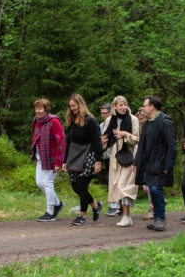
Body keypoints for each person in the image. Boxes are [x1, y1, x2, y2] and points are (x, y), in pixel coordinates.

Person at [134, 96, 177, 232]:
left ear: (152, 107)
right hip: (149, 164)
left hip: (161, 163)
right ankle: (157, 218)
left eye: (144, 106)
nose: (143, 108)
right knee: (152, 189)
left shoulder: (165, 122)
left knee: (155, 189)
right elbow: (142, 145)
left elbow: (172, 146)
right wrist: (137, 162)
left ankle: (160, 218)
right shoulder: (147, 124)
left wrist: (168, 165)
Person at [61, 95, 103, 226]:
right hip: (74, 155)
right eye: (70, 106)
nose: (72, 108)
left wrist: (98, 160)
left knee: (82, 185)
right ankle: (95, 205)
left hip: (88, 155)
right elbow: (69, 141)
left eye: (74, 105)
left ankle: (82, 215)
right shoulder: (72, 120)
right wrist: (65, 160)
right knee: (75, 187)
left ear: (81, 104)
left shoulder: (90, 121)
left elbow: (97, 141)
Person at [105, 95, 140, 226]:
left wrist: (125, 134)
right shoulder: (110, 120)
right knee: (116, 185)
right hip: (115, 157)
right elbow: (107, 137)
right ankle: (125, 215)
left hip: (129, 156)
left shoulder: (133, 119)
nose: (123, 107)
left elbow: (137, 138)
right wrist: (103, 141)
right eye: (120, 105)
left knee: (124, 186)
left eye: (125, 104)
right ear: (114, 107)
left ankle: (126, 216)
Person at [31, 99, 66, 221]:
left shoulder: (54, 122)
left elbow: (61, 142)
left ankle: (50, 212)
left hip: (52, 159)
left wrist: (58, 162)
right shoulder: (36, 121)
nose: (37, 111)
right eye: (36, 108)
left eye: (40, 109)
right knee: (39, 183)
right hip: (41, 157)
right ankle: (58, 204)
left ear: (46, 109)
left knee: (47, 183)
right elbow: (35, 137)